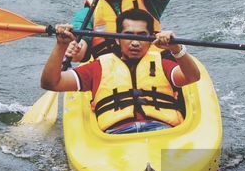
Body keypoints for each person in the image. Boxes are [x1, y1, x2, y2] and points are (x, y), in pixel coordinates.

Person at [41, 7, 201, 135]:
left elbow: (192, 76)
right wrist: (61, 45)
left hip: (164, 131)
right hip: (115, 137)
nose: (135, 42)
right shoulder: (97, 67)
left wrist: (176, 49)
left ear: (152, 38)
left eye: (142, 36)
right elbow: (51, 83)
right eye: (128, 35)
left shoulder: (163, 63)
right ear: (117, 38)